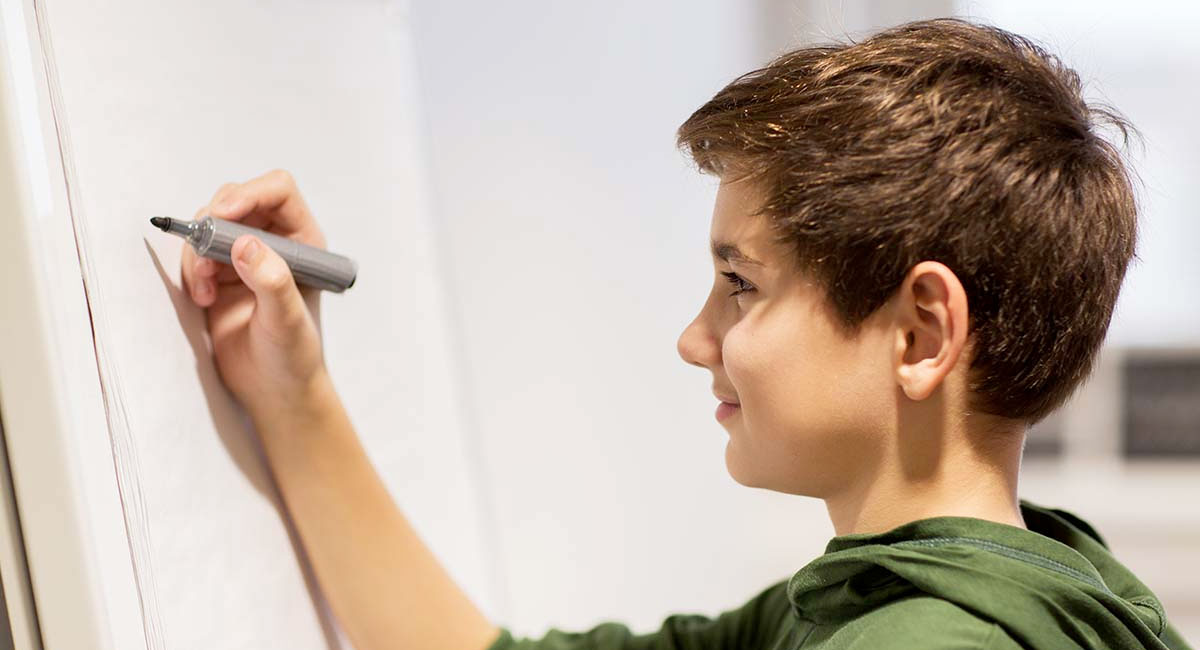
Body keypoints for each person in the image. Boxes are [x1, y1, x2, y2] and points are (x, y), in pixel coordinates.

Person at [176, 17, 1192, 650]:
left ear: (921, 334)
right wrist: (293, 394)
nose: (695, 339)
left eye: (741, 287)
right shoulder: (977, 586)